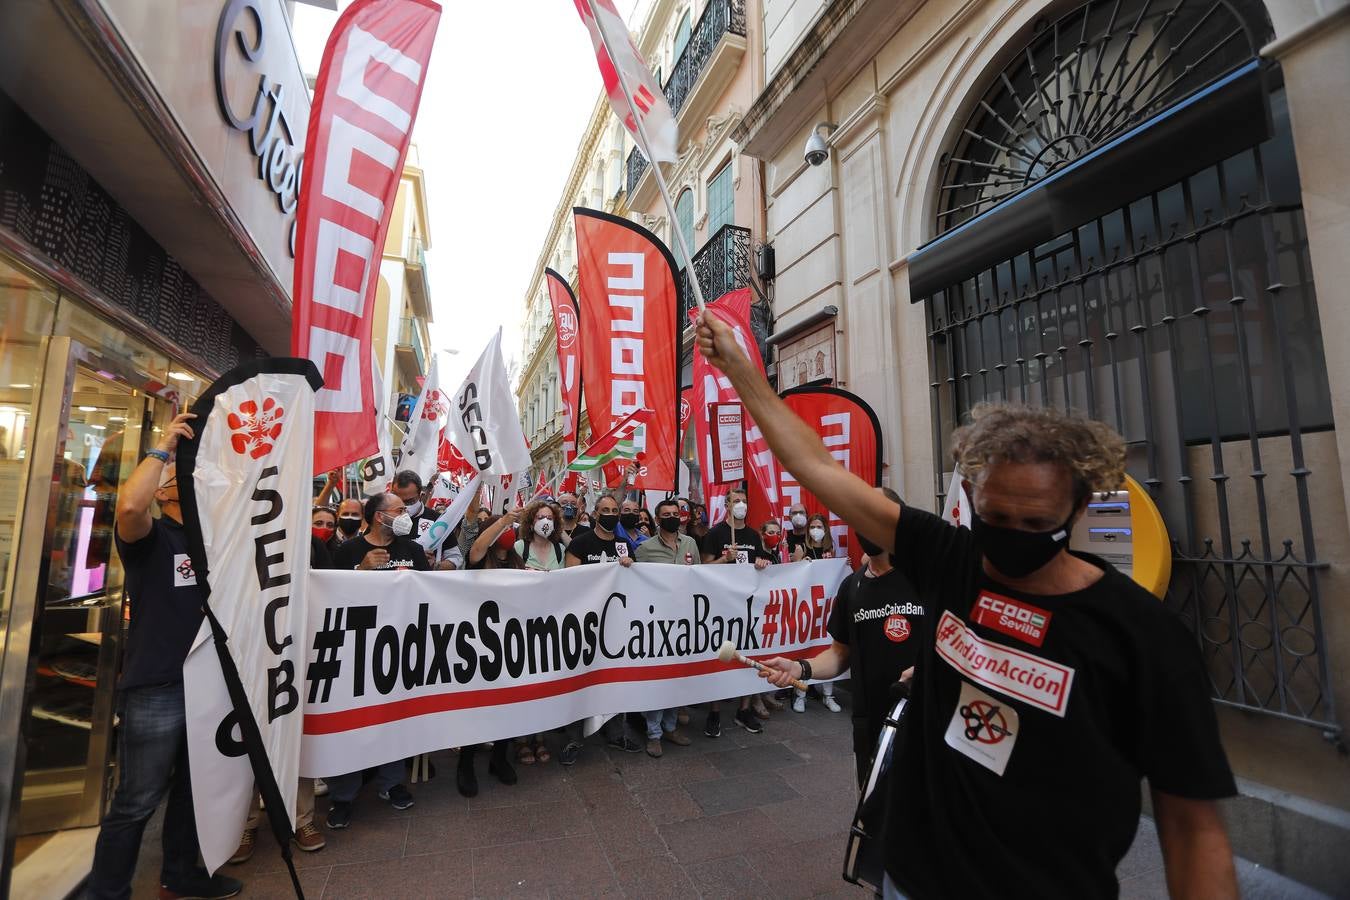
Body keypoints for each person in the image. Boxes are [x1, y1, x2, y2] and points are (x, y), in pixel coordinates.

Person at [696, 311, 1239, 900]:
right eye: (996, 517)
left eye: (1036, 523)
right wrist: (740, 369)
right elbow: (816, 468)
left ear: (1078, 508)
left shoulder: (1145, 637)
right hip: (913, 875)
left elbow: (1193, 831)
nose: (1011, 537)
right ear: (972, 496)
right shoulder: (948, 557)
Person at [88, 412, 243, 900]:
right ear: (163, 491)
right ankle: (107, 890)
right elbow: (130, 508)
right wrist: (163, 451)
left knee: (193, 790)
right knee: (137, 799)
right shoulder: (150, 540)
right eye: (185, 479)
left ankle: (181, 873)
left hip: (209, 685)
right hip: (158, 685)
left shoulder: (213, 544)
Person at [762, 488, 919, 785]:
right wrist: (800, 668)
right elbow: (840, 653)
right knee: (873, 811)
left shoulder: (924, 579)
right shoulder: (853, 587)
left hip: (925, 720)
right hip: (871, 723)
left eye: (873, 514)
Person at [325, 493, 423, 830]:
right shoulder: (349, 551)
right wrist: (360, 571)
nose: (405, 514)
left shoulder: (412, 550)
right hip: (357, 650)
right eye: (399, 510)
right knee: (353, 720)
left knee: (394, 716)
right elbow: (331, 597)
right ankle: (342, 796)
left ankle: (392, 782)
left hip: (400, 648)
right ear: (379, 516)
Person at [561, 493, 640, 761]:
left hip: (616, 622)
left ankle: (616, 733)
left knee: (616, 677)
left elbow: (634, 583)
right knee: (581, 678)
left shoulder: (624, 545)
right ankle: (573, 739)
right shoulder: (580, 544)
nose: (610, 513)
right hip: (584, 623)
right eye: (604, 509)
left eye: (614, 509)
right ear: (595, 513)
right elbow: (570, 583)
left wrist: (629, 568)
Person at [457, 512, 525, 795]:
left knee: (508, 704)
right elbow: (476, 549)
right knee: (477, 705)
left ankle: (500, 757)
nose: (509, 533)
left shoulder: (517, 561)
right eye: (504, 529)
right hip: (478, 643)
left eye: (512, 528)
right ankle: (466, 762)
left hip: (511, 642)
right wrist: (502, 521)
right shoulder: (479, 559)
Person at [699, 488, 772, 737]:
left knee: (750, 655)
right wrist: (723, 560)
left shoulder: (753, 535)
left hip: (748, 605)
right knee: (721, 655)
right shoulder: (715, 533)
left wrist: (763, 563)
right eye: (736, 501)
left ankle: (744, 709)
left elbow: (761, 564)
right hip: (721, 605)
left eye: (744, 501)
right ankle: (715, 711)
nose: (741, 504)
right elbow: (703, 568)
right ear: (727, 505)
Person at [634, 499, 701, 757]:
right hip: (657, 622)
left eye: (676, 513)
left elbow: (698, 575)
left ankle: (670, 727)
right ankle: (654, 734)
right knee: (658, 678)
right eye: (667, 515)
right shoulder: (646, 548)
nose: (673, 517)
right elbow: (637, 581)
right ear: (658, 519)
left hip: (684, 621)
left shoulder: (690, 544)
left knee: (677, 677)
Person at [331, 493, 430, 571]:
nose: (405, 516)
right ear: (379, 516)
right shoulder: (347, 549)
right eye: (400, 511)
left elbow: (425, 587)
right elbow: (340, 588)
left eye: (405, 511)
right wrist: (362, 569)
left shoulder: (414, 549)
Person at [517, 500, 565, 572]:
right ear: (531, 523)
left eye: (549, 518)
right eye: (540, 518)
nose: (545, 521)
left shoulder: (560, 549)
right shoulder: (520, 547)